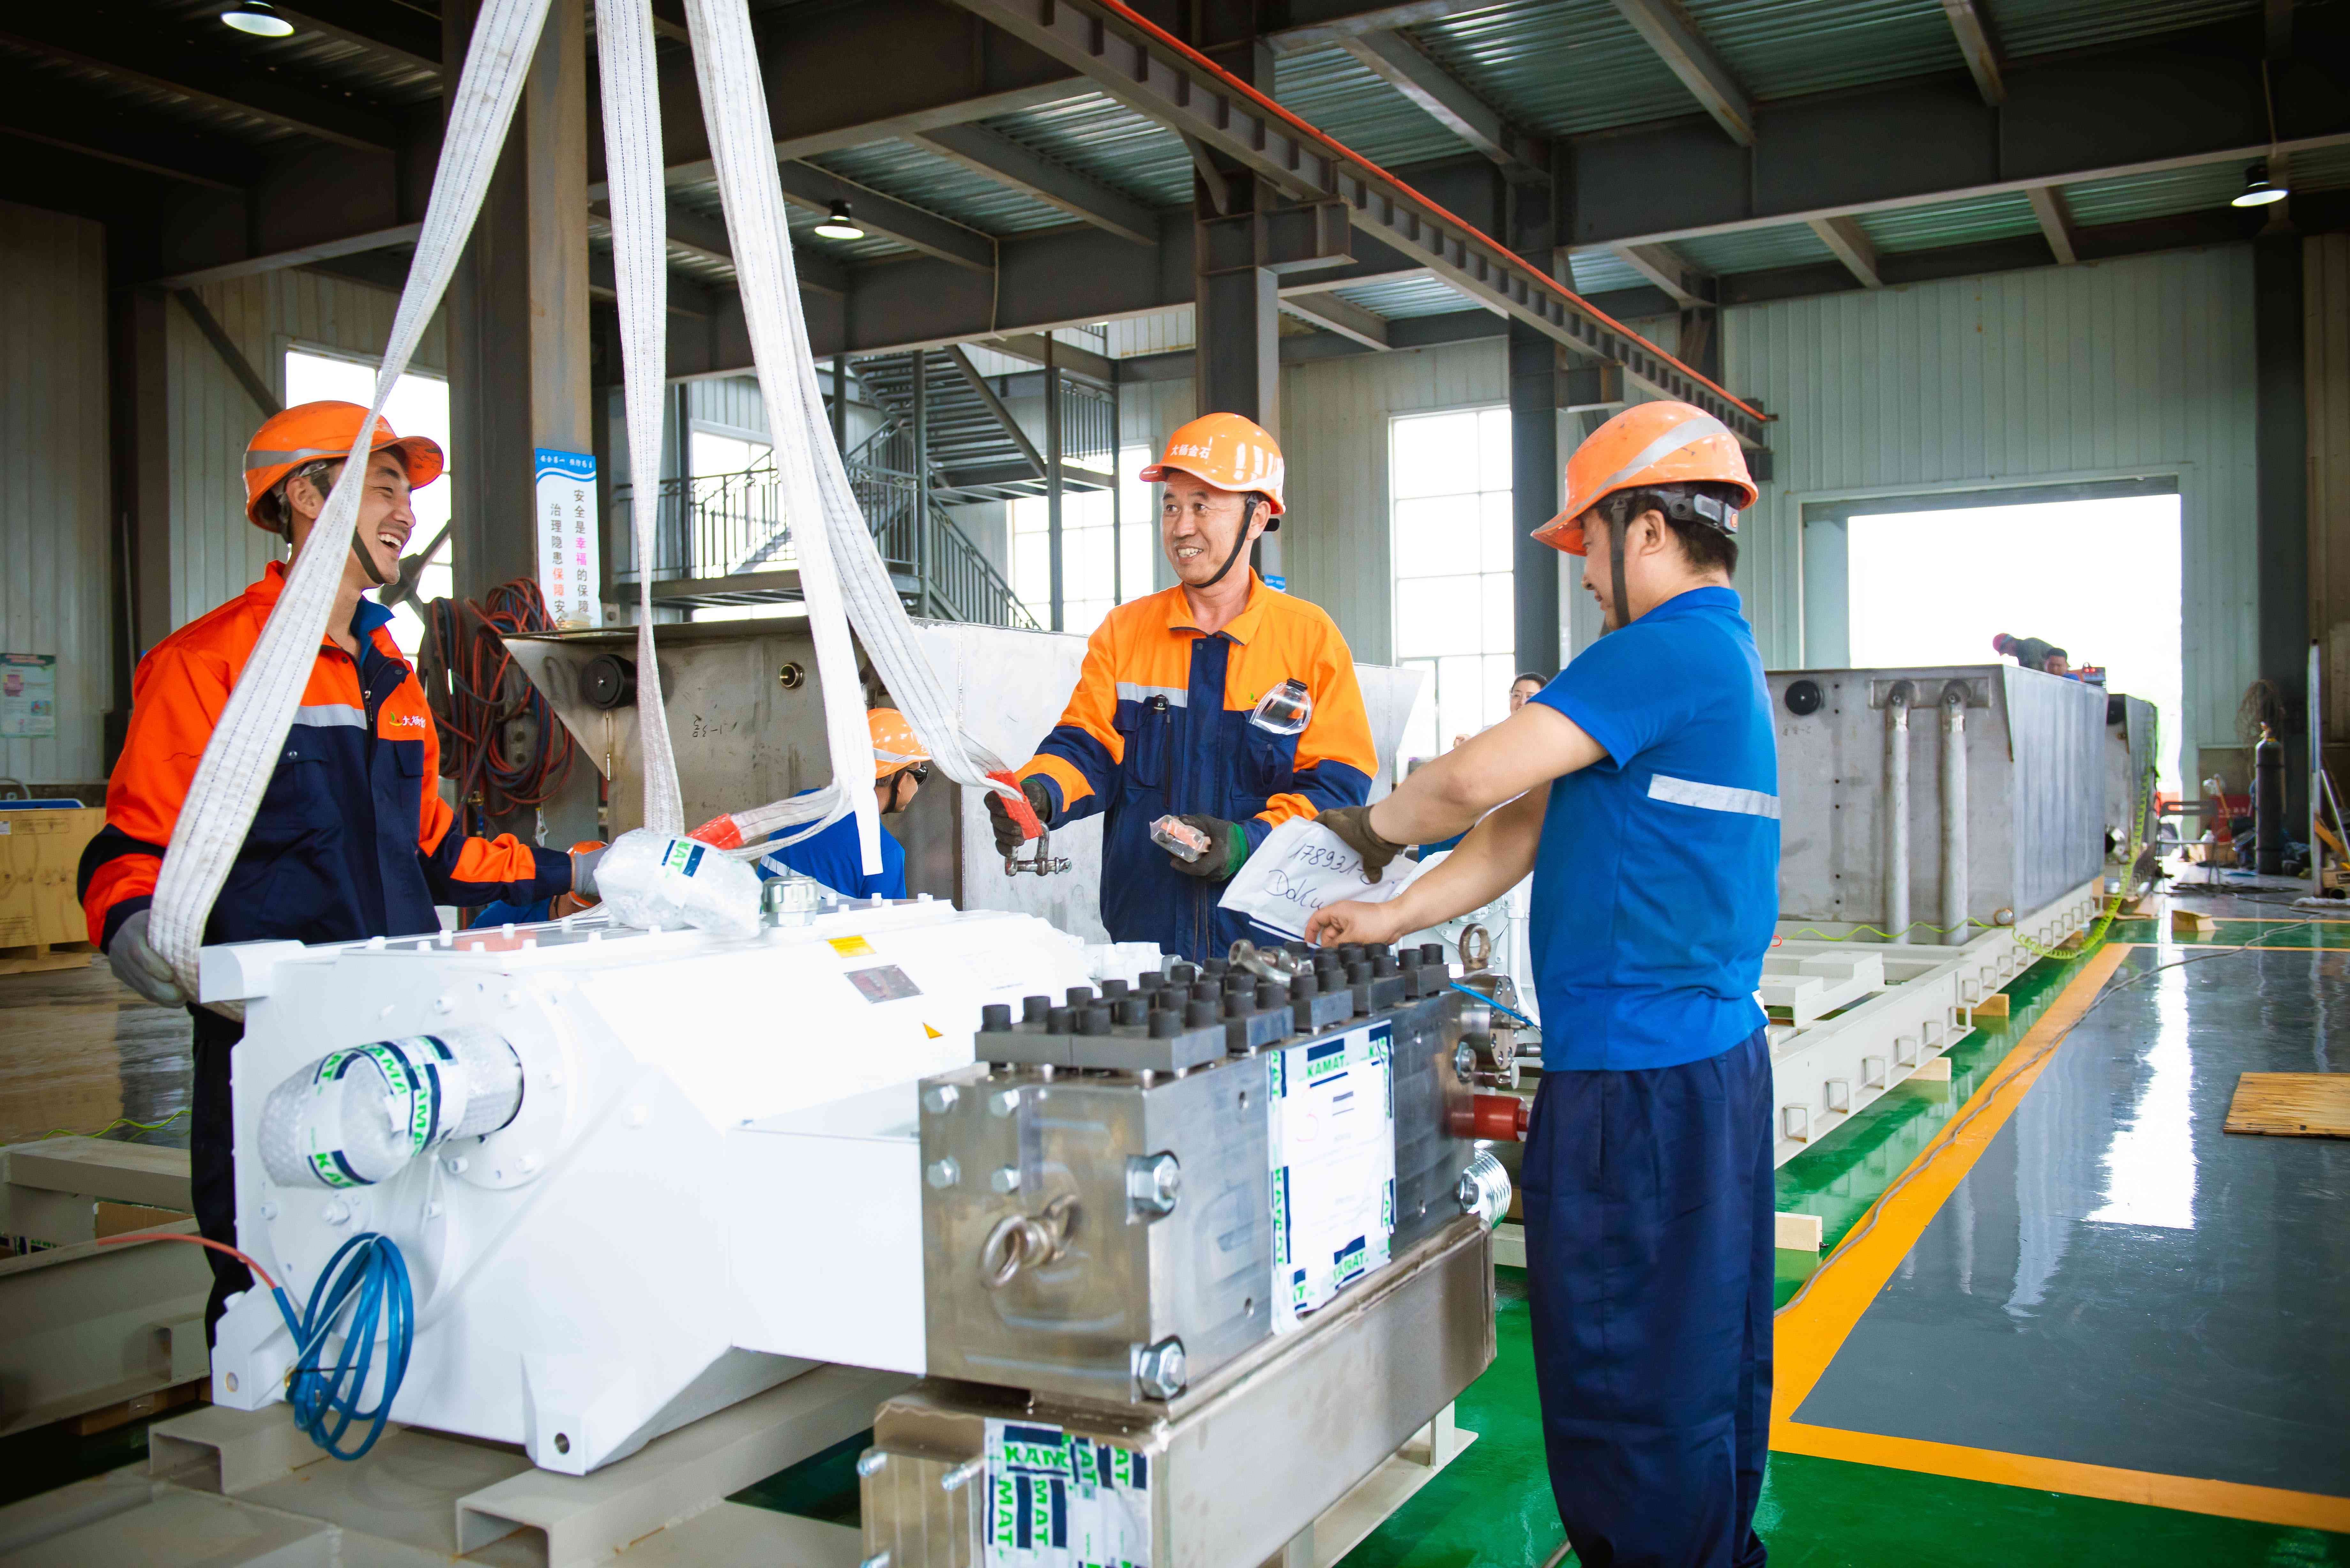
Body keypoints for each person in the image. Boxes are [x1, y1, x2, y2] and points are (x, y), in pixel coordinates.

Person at [1308, 400, 1778, 1568]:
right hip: (1702, 1071)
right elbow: (1524, 820)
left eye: (1590, 542)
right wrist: (1395, 912)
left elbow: (1468, 783)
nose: (1585, 575)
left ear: (1650, 528)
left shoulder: (1660, 650)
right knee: (1695, 1365)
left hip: (1636, 1091)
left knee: (1627, 1382)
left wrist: (1359, 831)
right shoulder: (1716, 654)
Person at [79, 401, 595, 1342]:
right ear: (308, 496)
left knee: (410, 1258)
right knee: (272, 1277)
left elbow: (438, 852)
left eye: (406, 493)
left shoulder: (392, 673)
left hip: (397, 1025)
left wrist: (581, 869)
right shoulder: (209, 664)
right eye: (384, 488)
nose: (406, 513)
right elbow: (133, 845)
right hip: (270, 1038)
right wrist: (137, 926)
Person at [986, 413, 1378, 963]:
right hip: (1146, 942)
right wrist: (1039, 793)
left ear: (1257, 517)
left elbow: (1338, 788)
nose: (1181, 527)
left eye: (1202, 505)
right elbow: (1087, 747)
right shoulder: (1126, 632)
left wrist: (1245, 843)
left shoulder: (1310, 639)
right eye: (1171, 506)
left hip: (1271, 946)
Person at [756, 707, 929, 900]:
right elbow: (886, 920)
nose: (918, 785)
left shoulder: (801, 806)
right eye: (919, 774)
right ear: (895, 778)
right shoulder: (883, 854)